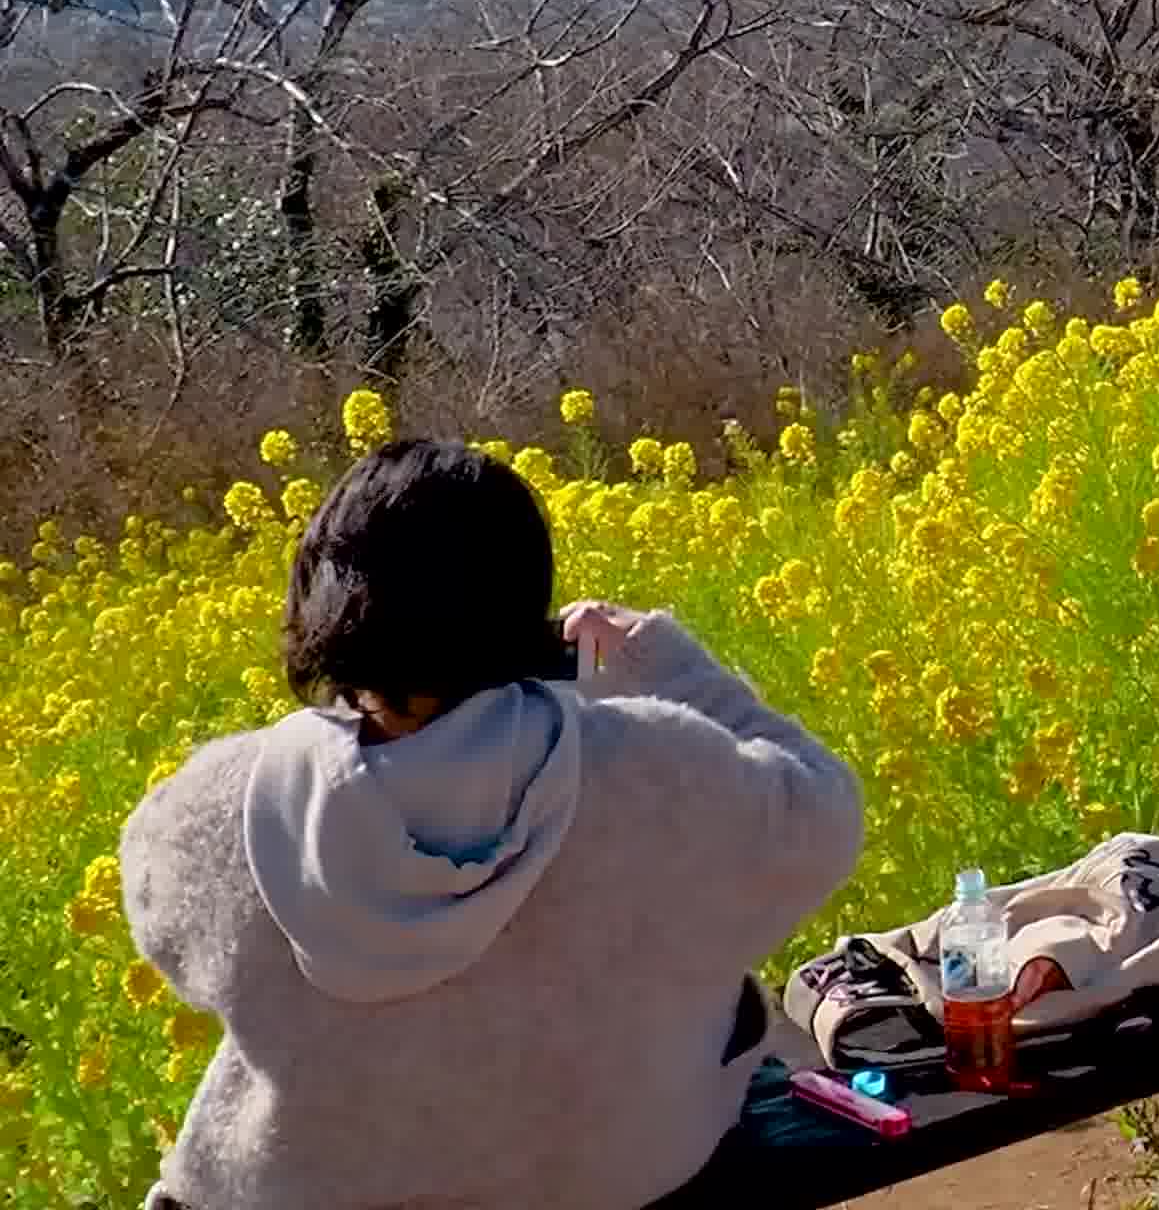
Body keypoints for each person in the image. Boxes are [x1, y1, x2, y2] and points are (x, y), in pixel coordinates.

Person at [122, 439, 865, 1210]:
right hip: (621, 1183)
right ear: (525, 606)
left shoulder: (204, 812)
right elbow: (825, 811)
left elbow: (171, 946)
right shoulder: (657, 767)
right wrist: (665, 661)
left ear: (320, 602)